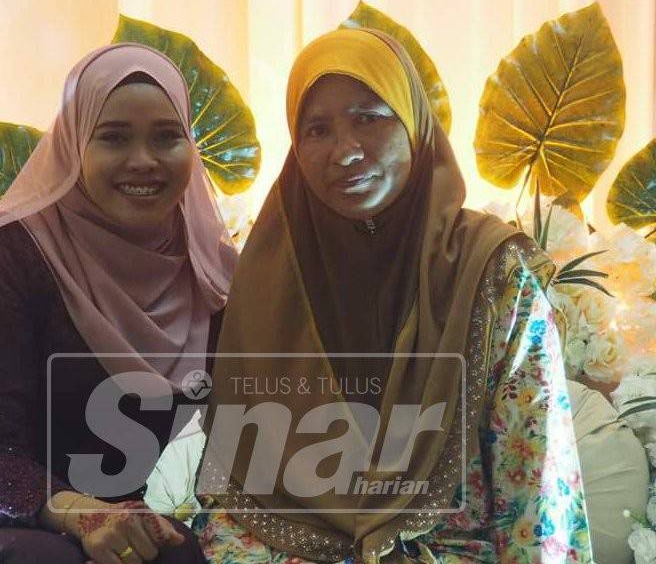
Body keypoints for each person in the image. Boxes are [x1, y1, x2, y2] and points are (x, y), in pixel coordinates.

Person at [192, 28, 592, 562]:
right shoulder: (271, 278)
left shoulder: (491, 272)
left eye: (368, 118)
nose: (345, 152)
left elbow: (536, 478)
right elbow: (234, 485)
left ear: (412, 122)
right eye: (317, 129)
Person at [0, 43, 237, 564]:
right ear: (72, 146)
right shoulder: (6, 262)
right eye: (113, 137)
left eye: (166, 136)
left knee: (177, 553)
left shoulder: (208, 273)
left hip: (111, 521)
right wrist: (85, 515)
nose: (143, 160)